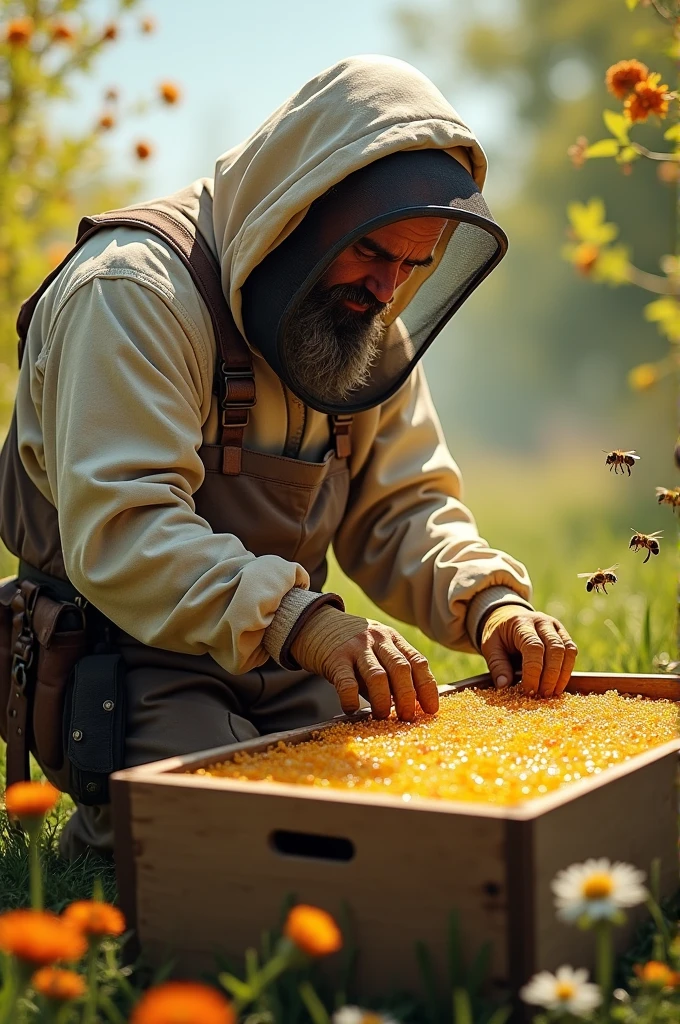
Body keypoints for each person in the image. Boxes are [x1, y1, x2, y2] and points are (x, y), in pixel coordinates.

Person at [0, 55, 577, 861]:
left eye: (417, 265)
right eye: (373, 252)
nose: (388, 289)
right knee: (236, 845)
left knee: (390, 818)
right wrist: (302, 622)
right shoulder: (132, 293)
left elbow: (405, 511)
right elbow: (122, 530)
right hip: (124, 659)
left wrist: (488, 603)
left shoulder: (368, 322)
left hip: (294, 655)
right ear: (296, 212)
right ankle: (102, 840)